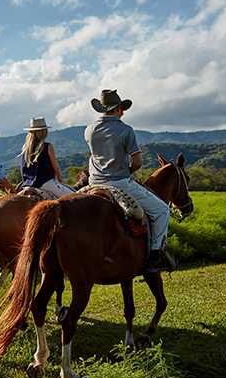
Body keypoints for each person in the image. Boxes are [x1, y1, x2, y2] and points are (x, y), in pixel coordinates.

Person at [84, 89, 173, 273]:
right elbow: (138, 163)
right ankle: (156, 255)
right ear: (117, 109)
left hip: (93, 183)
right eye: (121, 108)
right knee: (163, 210)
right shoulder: (126, 130)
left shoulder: (89, 130)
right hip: (120, 182)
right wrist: (129, 170)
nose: (122, 113)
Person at [20, 117, 75, 199]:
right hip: (46, 184)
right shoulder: (47, 146)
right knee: (75, 198)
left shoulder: (25, 148)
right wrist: (60, 180)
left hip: (28, 184)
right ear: (44, 132)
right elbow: (55, 168)